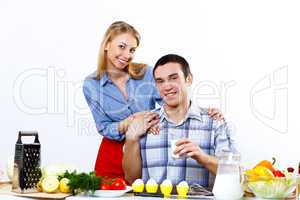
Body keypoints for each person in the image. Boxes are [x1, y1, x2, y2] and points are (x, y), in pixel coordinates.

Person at [83, 21, 224, 180]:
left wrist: (202, 112)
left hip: (146, 147)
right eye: (121, 47)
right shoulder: (91, 85)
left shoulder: (145, 72)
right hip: (113, 152)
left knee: (144, 190)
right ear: (107, 44)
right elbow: (103, 127)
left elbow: (171, 99)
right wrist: (131, 122)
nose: (127, 55)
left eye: (132, 50)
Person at [122, 54, 237, 187]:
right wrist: (131, 139)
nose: (167, 86)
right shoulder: (145, 122)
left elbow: (234, 174)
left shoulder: (214, 122)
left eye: (173, 78)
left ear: (188, 79)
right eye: (160, 81)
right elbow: (131, 179)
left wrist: (202, 157)